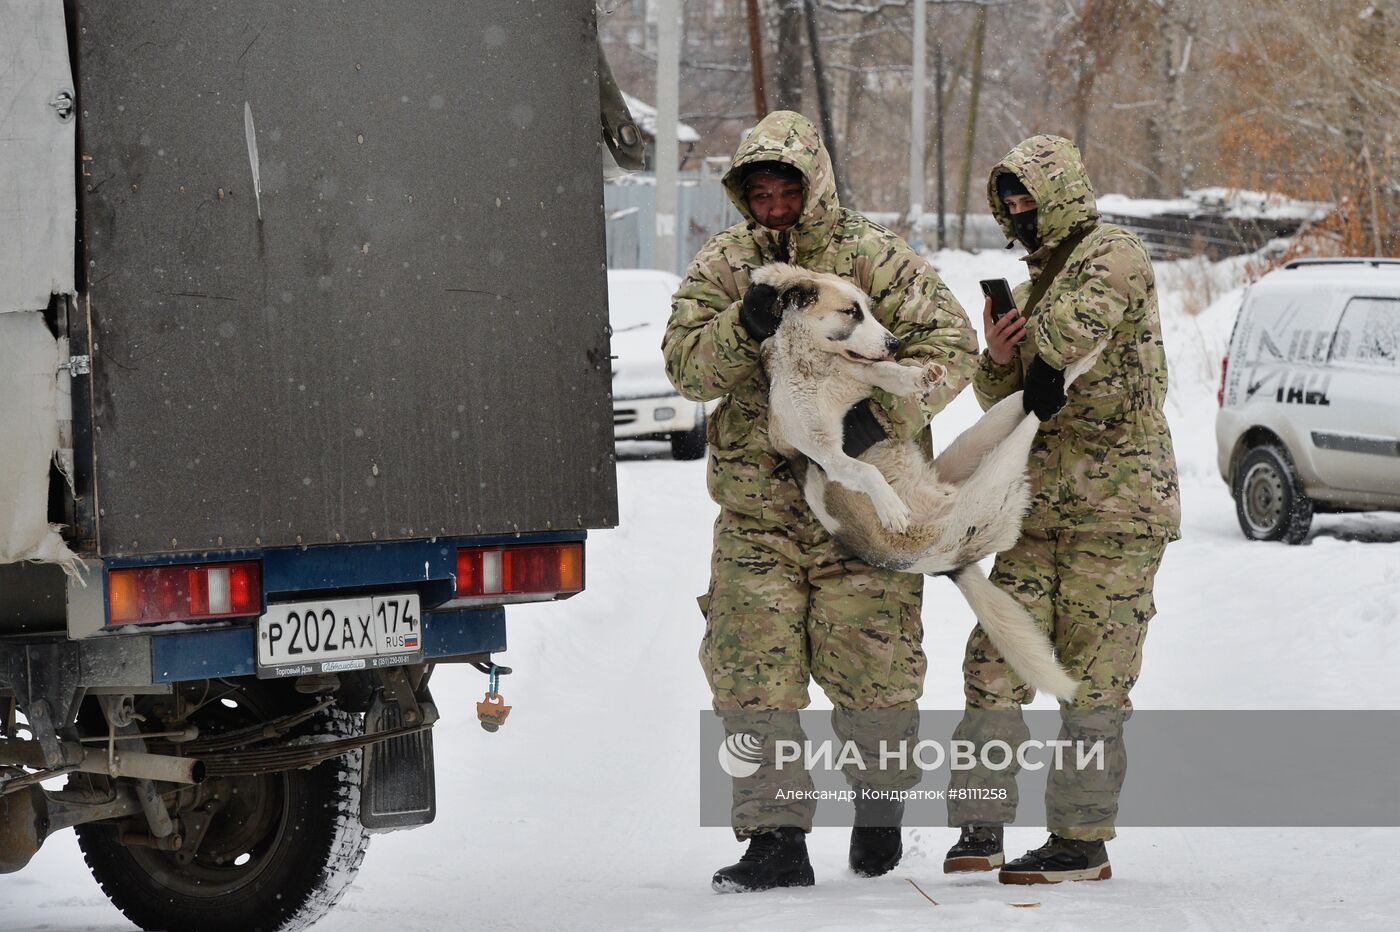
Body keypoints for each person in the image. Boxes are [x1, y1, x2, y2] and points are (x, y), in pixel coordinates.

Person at [662, 110, 977, 893]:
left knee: (876, 677)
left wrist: (882, 418)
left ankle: (878, 807)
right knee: (750, 676)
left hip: (858, 512)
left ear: (816, 185)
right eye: (758, 191)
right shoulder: (728, 266)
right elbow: (686, 369)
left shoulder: (874, 260)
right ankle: (775, 838)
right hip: (758, 514)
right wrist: (743, 328)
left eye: (786, 188)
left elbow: (953, 347)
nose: (773, 204)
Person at [942, 135, 1181, 884]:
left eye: (1030, 197)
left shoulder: (1113, 253)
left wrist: (1025, 343)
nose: (1021, 210)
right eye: (1010, 200)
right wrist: (998, 352)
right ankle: (980, 824)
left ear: (1063, 192)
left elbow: (1074, 337)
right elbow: (1004, 396)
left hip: (1116, 510)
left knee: (1092, 679)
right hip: (1038, 507)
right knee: (994, 665)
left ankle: (1080, 842)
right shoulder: (1041, 278)